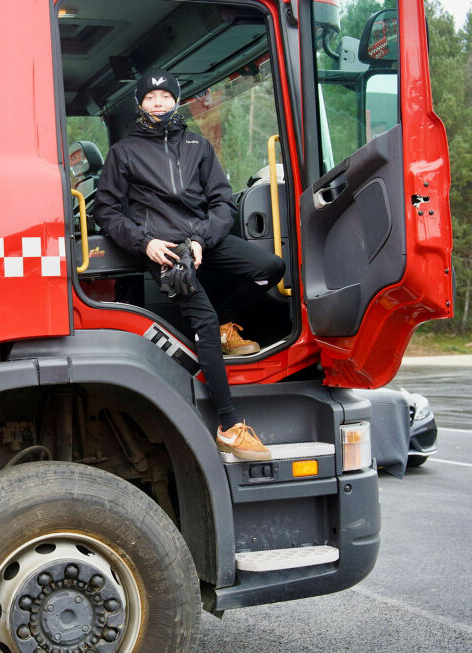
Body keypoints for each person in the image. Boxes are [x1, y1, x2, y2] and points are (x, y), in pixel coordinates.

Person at [94, 69, 285, 462]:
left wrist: (201, 239)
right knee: (203, 323)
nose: (159, 103)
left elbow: (222, 204)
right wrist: (145, 243)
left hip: (201, 240)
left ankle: (225, 323)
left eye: (165, 96)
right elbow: (106, 211)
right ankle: (229, 426)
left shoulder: (198, 145)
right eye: (151, 98)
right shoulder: (124, 152)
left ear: (176, 101)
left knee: (270, 266)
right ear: (140, 105)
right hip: (163, 251)